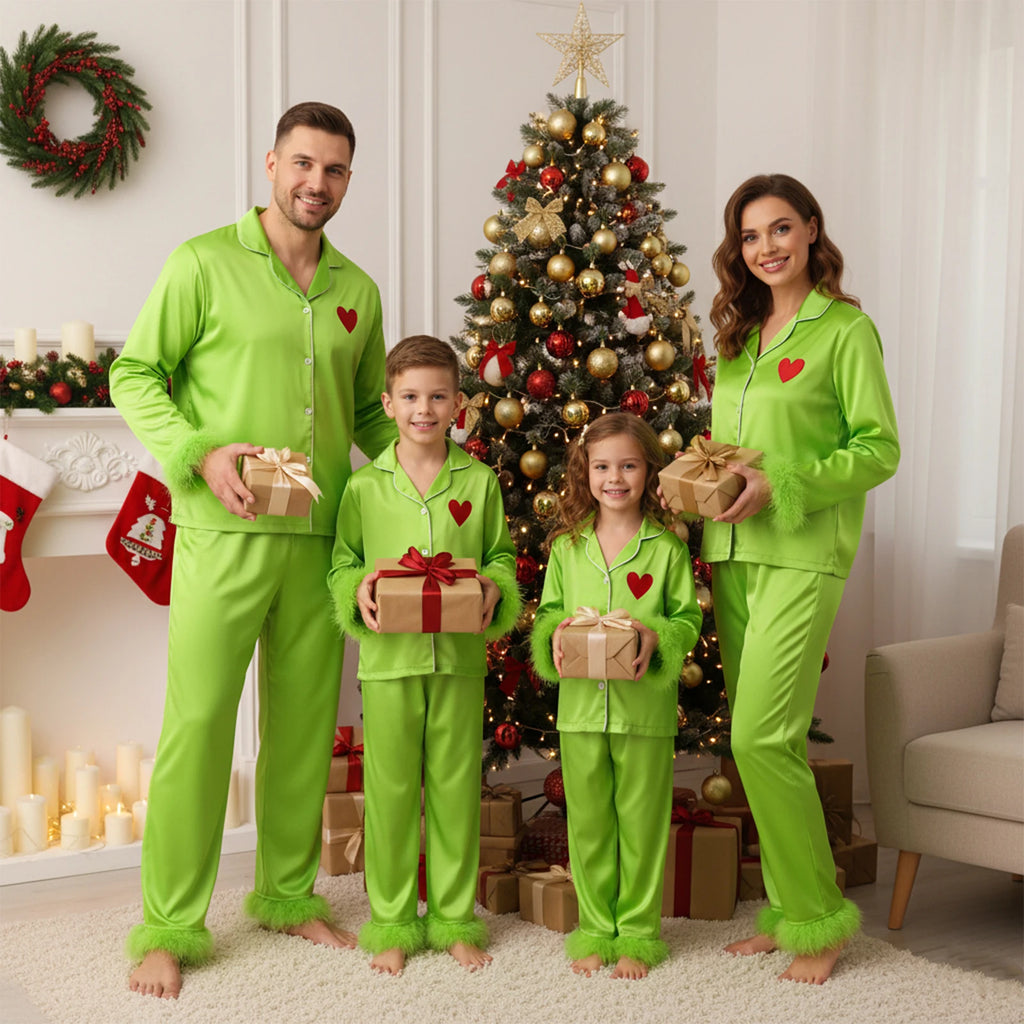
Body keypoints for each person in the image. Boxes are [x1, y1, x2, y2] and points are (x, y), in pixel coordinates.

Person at [109, 101, 397, 999]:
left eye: (337, 170)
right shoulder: (201, 262)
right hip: (221, 534)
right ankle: (167, 926)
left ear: (350, 179)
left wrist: (435, 483)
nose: (318, 183)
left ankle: (284, 891)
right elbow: (134, 372)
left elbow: (370, 421)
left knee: (305, 729)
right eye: (304, 164)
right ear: (271, 163)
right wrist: (199, 451)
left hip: (320, 541)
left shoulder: (357, 290)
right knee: (197, 726)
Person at [701, 173, 900, 983]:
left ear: (812, 231)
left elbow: (878, 448)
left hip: (803, 553)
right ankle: (789, 911)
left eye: (780, 230)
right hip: (733, 554)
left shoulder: (845, 331)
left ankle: (821, 923)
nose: (766, 248)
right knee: (757, 745)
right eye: (750, 237)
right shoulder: (741, 337)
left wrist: (783, 483)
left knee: (761, 736)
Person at [328, 334, 521, 976]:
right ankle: (390, 921)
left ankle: (454, 917)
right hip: (388, 662)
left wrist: (494, 584)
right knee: (388, 790)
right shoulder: (362, 487)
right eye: (410, 396)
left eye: (438, 396)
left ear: (459, 404)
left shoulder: (481, 481)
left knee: (455, 787)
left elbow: (498, 558)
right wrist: (355, 588)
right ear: (388, 402)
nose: (424, 409)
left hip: (461, 661)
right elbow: (344, 564)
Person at [530, 413, 702, 980]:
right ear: (586, 471)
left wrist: (658, 638)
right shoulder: (567, 547)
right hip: (579, 712)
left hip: (644, 714)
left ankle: (637, 933)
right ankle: (594, 928)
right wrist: (554, 633)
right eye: (603, 466)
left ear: (649, 469)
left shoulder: (666, 549)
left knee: (642, 822)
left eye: (628, 465)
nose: (615, 478)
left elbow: (686, 620)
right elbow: (551, 613)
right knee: (589, 823)